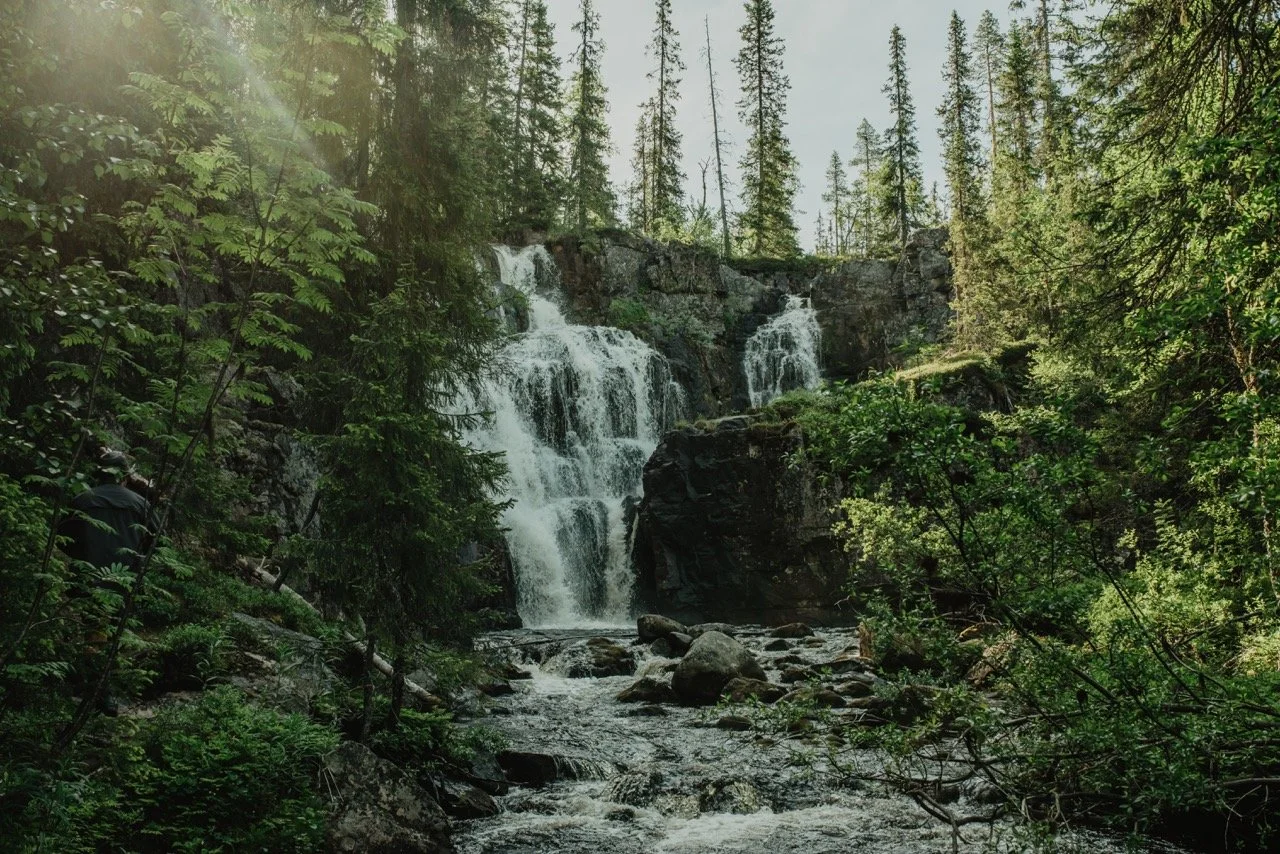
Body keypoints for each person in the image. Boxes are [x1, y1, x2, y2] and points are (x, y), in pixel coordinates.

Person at [59, 448, 156, 576]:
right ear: (126, 477)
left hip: (84, 581)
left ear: (98, 476)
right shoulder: (141, 504)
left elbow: (62, 540)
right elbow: (158, 542)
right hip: (126, 582)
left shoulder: (81, 500)